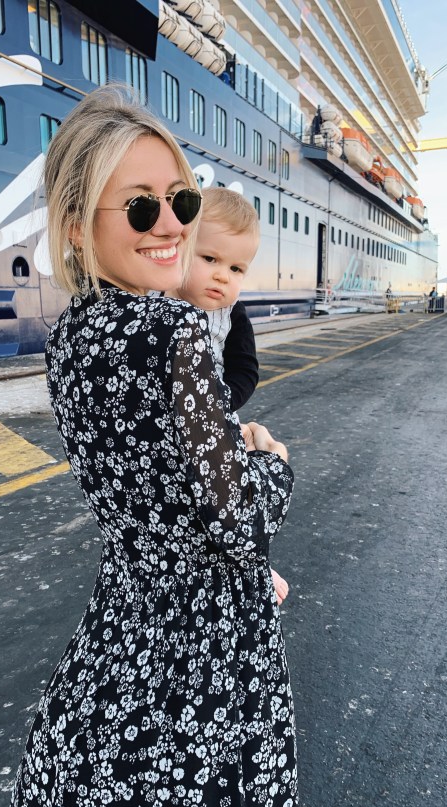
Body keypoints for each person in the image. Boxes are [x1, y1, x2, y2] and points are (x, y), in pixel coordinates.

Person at [4, 85, 299, 807]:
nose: (171, 224)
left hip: (120, 637)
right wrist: (271, 463)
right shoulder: (173, 330)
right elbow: (238, 523)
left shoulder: (72, 336)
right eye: (140, 207)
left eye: (180, 199)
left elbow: (151, 487)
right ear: (77, 225)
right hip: (202, 665)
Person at [179, 185, 289, 605]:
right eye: (209, 259)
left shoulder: (231, 312)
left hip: (213, 420)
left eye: (237, 268)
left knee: (237, 499)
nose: (223, 276)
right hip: (168, 427)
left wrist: (219, 404)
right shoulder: (157, 305)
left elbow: (245, 369)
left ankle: (256, 563)